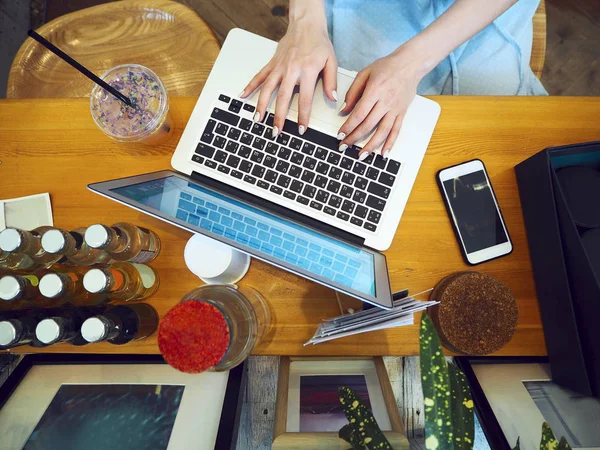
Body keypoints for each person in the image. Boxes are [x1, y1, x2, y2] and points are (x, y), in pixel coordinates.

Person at [241, 0, 547, 160]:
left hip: (477, 15)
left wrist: (411, 63)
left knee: (500, 143)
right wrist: (305, 21)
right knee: (335, 124)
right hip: (371, 8)